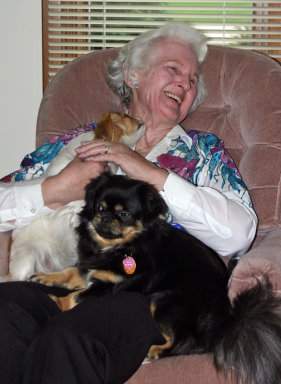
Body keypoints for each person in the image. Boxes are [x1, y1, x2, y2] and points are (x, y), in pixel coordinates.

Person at [0, 22, 257, 384]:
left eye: (193, 79)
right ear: (133, 75)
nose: (185, 82)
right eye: (173, 69)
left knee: (68, 338)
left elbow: (239, 234)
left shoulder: (204, 152)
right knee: (5, 312)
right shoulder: (75, 143)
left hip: (147, 291)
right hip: (66, 275)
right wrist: (56, 188)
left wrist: (146, 170)